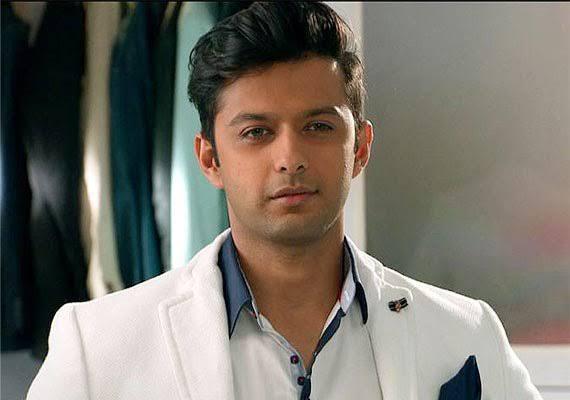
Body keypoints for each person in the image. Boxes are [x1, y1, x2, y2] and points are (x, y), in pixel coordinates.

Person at [27, 2, 541, 399]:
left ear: (360, 148)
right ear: (209, 159)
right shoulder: (97, 347)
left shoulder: (466, 333)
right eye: (256, 132)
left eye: (318, 127)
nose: (290, 158)